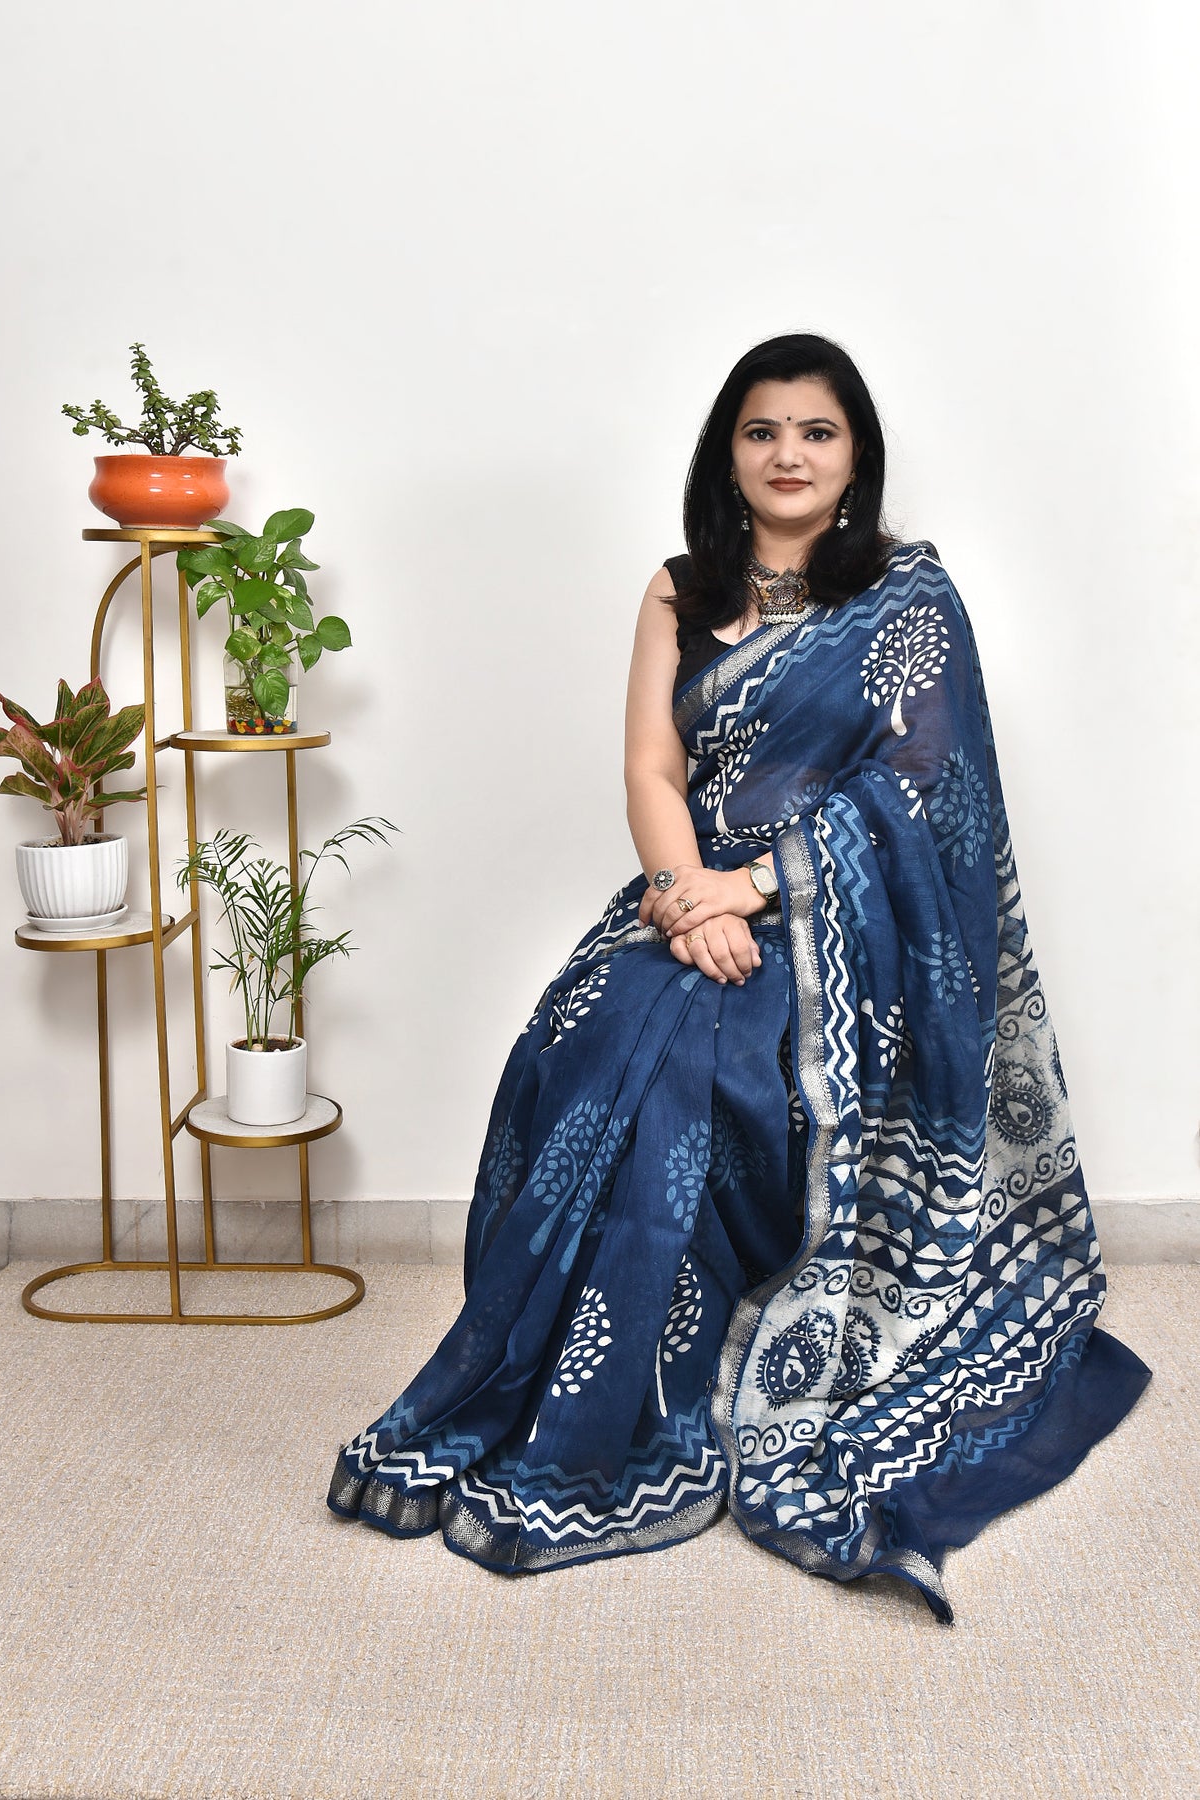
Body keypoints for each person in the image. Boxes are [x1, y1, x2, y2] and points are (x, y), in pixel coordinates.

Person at [328, 333, 1149, 1621]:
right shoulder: (677, 591)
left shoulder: (909, 597)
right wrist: (679, 894)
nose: (789, 455)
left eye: (817, 432)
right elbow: (651, 768)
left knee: (692, 1081)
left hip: (841, 938)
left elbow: (927, 795)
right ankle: (551, 1379)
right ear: (728, 453)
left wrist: (762, 886)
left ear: (857, 457)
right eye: (763, 431)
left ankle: (647, 1389)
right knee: (590, 1041)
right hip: (682, 900)